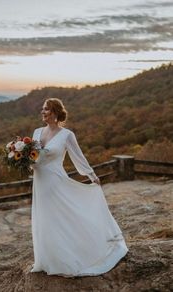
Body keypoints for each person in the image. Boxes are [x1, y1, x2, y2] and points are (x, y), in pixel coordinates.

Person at [30, 98, 128, 277]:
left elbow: (78, 157)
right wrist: (23, 160)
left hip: (56, 181)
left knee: (63, 217)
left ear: (56, 113)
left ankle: (71, 256)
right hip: (40, 182)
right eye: (42, 109)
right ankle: (47, 259)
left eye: (47, 110)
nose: (43, 112)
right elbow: (33, 157)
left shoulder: (66, 135)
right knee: (45, 218)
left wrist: (91, 175)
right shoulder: (36, 133)